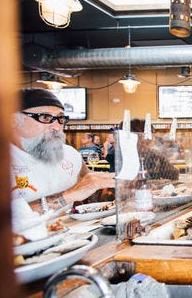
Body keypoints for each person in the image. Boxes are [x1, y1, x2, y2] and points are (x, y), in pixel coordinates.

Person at [10, 89, 115, 224]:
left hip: (71, 233)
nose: (57, 127)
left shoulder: (70, 154)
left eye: (60, 119)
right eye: (45, 117)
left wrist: (119, 188)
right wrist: (68, 195)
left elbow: (92, 183)